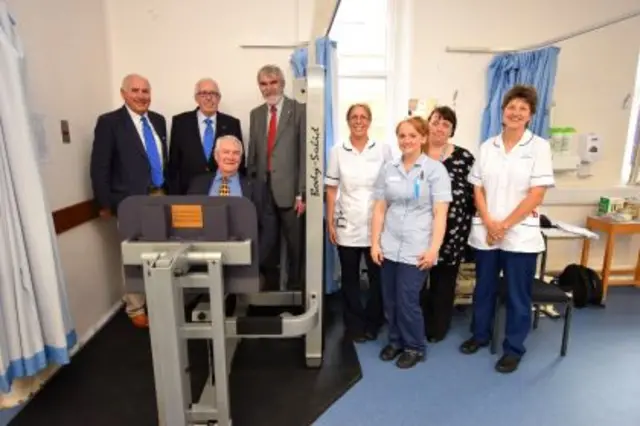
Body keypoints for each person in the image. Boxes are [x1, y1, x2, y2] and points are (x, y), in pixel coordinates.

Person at [459, 85, 555, 374]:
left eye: (522, 109)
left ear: (530, 116)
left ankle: (514, 348)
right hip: (487, 231)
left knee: (517, 294)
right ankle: (480, 334)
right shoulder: (488, 146)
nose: (515, 113)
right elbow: (477, 188)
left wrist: (504, 225)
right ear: (502, 112)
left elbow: (536, 194)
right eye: (511, 107)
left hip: (520, 235)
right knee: (484, 289)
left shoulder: (539, 147)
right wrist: (489, 221)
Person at [371, 116, 452, 369]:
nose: (406, 141)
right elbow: (379, 210)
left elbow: (441, 214)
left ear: (423, 138)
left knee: (407, 300)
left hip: (417, 247)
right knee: (390, 299)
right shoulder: (389, 169)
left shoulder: (435, 170)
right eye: (402, 136)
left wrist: (433, 249)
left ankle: (414, 346)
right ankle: (395, 341)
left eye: (412, 136)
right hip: (389, 244)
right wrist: (375, 243)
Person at [90, 73, 168, 328]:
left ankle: (160, 303)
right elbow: (99, 166)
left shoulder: (158, 120)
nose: (141, 96)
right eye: (135, 90)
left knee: (160, 254)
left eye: (145, 91)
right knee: (134, 256)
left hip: (161, 196)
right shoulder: (110, 122)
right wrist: (106, 204)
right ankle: (136, 308)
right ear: (124, 93)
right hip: (129, 201)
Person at [325, 104, 391, 343]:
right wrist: (330, 221)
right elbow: (331, 189)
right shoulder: (337, 151)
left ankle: (374, 322)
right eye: (354, 117)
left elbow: (390, 187)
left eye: (363, 117)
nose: (359, 121)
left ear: (370, 121)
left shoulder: (383, 150)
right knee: (350, 278)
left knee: (377, 278)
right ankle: (354, 324)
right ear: (348, 121)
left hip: (376, 225)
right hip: (347, 224)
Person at [247, 64, 306, 289]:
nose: (269, 88)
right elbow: (253, 153)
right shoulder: (256, 114)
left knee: (295, 247)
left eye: (273, 83)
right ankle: (269, 290)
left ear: (282, 83)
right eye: (263, 84)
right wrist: (251, 189)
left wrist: (302, 193)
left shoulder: (299, 110)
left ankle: (295, 291)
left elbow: (304, 154)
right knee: (266, 245)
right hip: (263, 192)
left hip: (291, 194)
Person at [420, 106, 475, 342]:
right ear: (427, 124)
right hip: (419, 231)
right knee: (417, 282)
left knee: (444, 281)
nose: (440, 127)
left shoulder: (464, 157)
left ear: (452, 130)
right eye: (436, 121)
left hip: (453, 231)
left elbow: (476, 194)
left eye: (446, 124)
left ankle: (438, 328)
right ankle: (417, 324)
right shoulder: (415, 153)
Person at [188, 135, 278, 267]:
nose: (231, 157)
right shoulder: (198, 184)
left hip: (245, 261)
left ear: (241, 159)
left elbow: (270, 228)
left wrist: (255, 260)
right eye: (226, 152)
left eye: (236, 153)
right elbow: (188, 224)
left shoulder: (257, 187)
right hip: (203, 260)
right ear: (216, 155)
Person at [167, 78, 245, 195]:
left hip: (222, 192)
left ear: (219, 98)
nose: (209, 98)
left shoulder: (232, 123)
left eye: (213, 94)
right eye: (203, 94)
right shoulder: (180, 122)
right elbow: (174, 164)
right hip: (188, 192)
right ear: (196, 98)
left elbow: (239, 161)